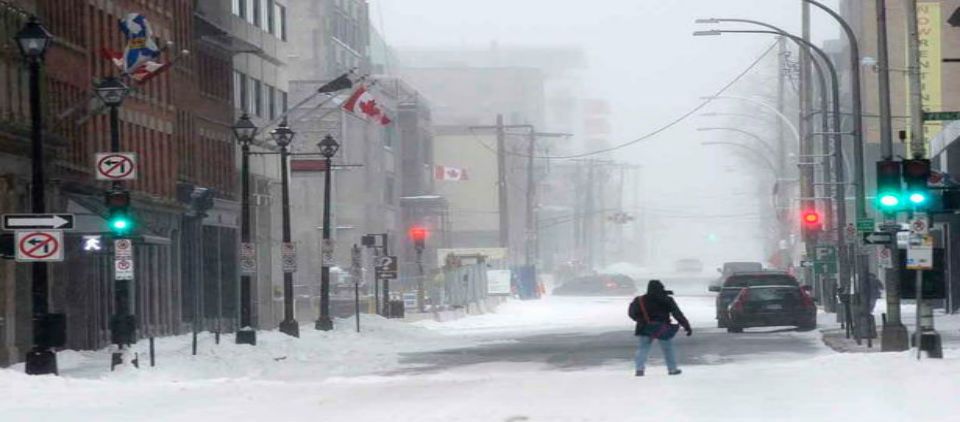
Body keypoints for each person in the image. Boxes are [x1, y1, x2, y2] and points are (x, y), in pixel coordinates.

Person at [628, 279, 692, 376]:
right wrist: (686, 326)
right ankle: (672, 369)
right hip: (662, 328)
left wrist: (640, 320)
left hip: (644, 327)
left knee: (643, 349)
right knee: (668, 350)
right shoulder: (667, 299)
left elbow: (632, 313)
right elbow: (677, 314)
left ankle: (639, 369)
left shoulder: (640, 300)